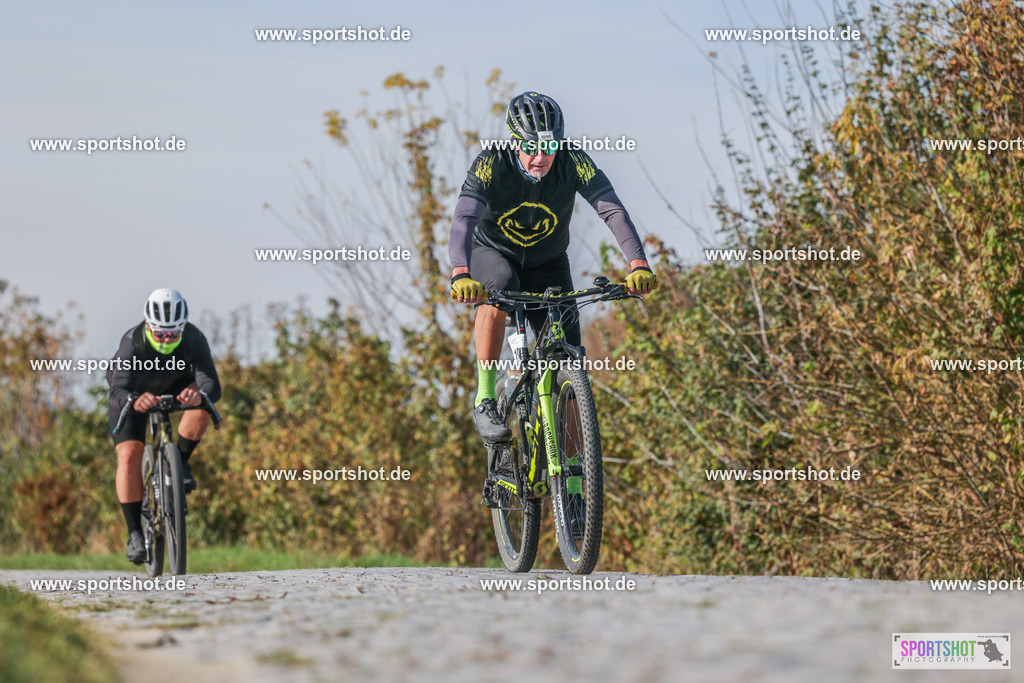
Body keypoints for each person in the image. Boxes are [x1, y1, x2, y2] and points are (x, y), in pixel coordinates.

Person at [448, 91, 657, 442]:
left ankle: (576, 475)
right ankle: (485, 396)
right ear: (514, 142)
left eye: (549, 148)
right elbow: (465, 217)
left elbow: (612, 211)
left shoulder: (573, 160)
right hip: (494, 254)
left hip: (548, 264)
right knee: (497, 285)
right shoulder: (491, 162)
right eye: (530, 148)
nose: (540, 158)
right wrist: (461, 274)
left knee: (573, 370)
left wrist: (638, 264)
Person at [107, 288, 221, 564]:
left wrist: (199, 394)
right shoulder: (132, 343)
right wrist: (133, 401)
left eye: (174, 333)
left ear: (183, 328)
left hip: (175, 386)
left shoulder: (194, 338)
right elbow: (118, 390)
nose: (167, 338)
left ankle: (179, 460)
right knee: (129, 455)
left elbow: (211, 383)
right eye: (160, 334)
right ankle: (135, 534)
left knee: (203, 403)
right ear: (149, 326)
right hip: (136, 394)